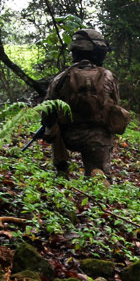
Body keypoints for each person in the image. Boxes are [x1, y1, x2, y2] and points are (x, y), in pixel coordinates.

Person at [43, 28, 127, 179]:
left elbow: (47, 112)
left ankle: (62, 174)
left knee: (54, 131)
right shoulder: (108, 76)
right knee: (99, 179)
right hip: (98, 138)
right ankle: (98, 183)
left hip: (68, 137)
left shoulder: (61, 78)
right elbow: (115, 105)